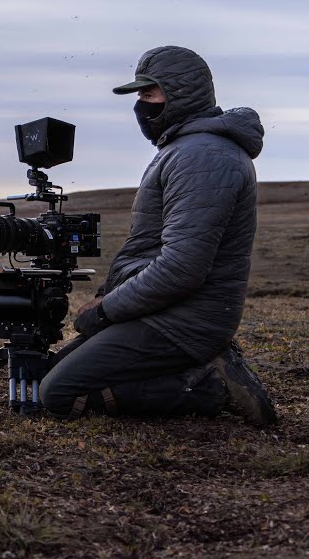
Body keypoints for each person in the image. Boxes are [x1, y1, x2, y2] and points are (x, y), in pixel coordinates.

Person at [38, 45, 277, 426]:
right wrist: (110, 300)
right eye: (139, 96)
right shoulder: (184, 148)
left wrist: (106, 311)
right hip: (163, 310)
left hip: (186, 320)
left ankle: (208, 384)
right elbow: (151, 247)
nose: (141, 106)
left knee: (59, 394)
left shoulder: (203, 156)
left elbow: (183, 266)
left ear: (181, 93)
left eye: (149, 94)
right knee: (48, 375)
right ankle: (191, 365)